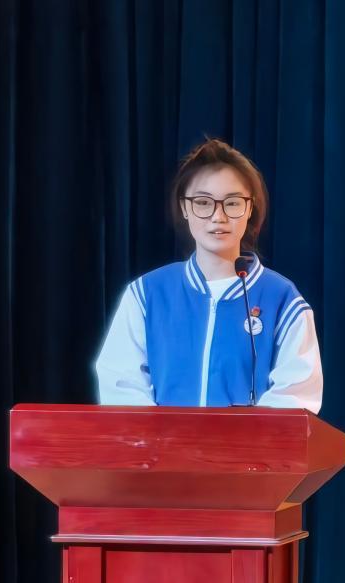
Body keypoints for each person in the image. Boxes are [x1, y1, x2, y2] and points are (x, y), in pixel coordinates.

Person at [95, 138, 323, 413]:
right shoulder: (146, 294)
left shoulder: (283, 299)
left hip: (249, 444)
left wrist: (240, 438)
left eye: (232, 203)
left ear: (250, 208)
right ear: (185, 207)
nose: (218, 216)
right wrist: (166, 437)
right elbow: (121, 385)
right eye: (203, 202)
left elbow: (296, 395)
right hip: (163, 443)